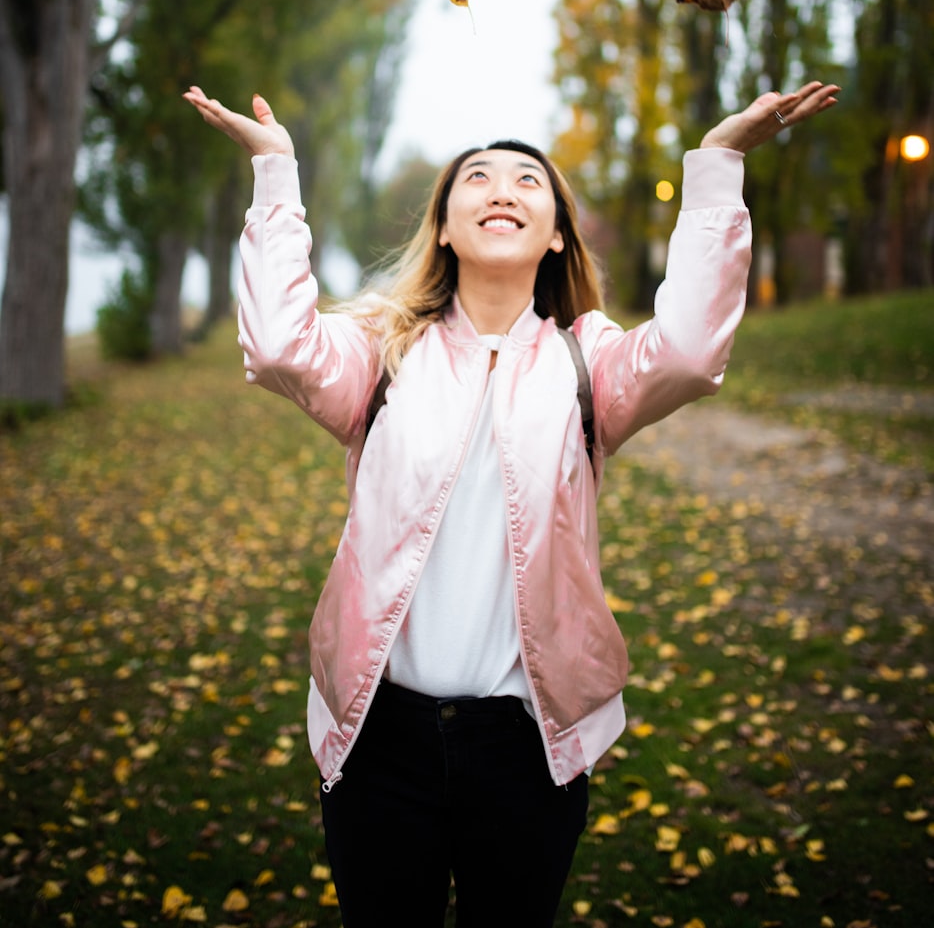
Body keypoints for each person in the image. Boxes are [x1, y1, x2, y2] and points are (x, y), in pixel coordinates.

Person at [184, 80, 838, 927]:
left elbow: (686, 353)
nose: (503, 189)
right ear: (445, 227)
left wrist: (718, 162)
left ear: (556, 232)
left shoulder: (586, 361)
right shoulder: (382, 351)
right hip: (378, 736)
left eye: (529, 180)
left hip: (529, 744)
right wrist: (276, 171)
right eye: (478, 178)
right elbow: (277, 346)